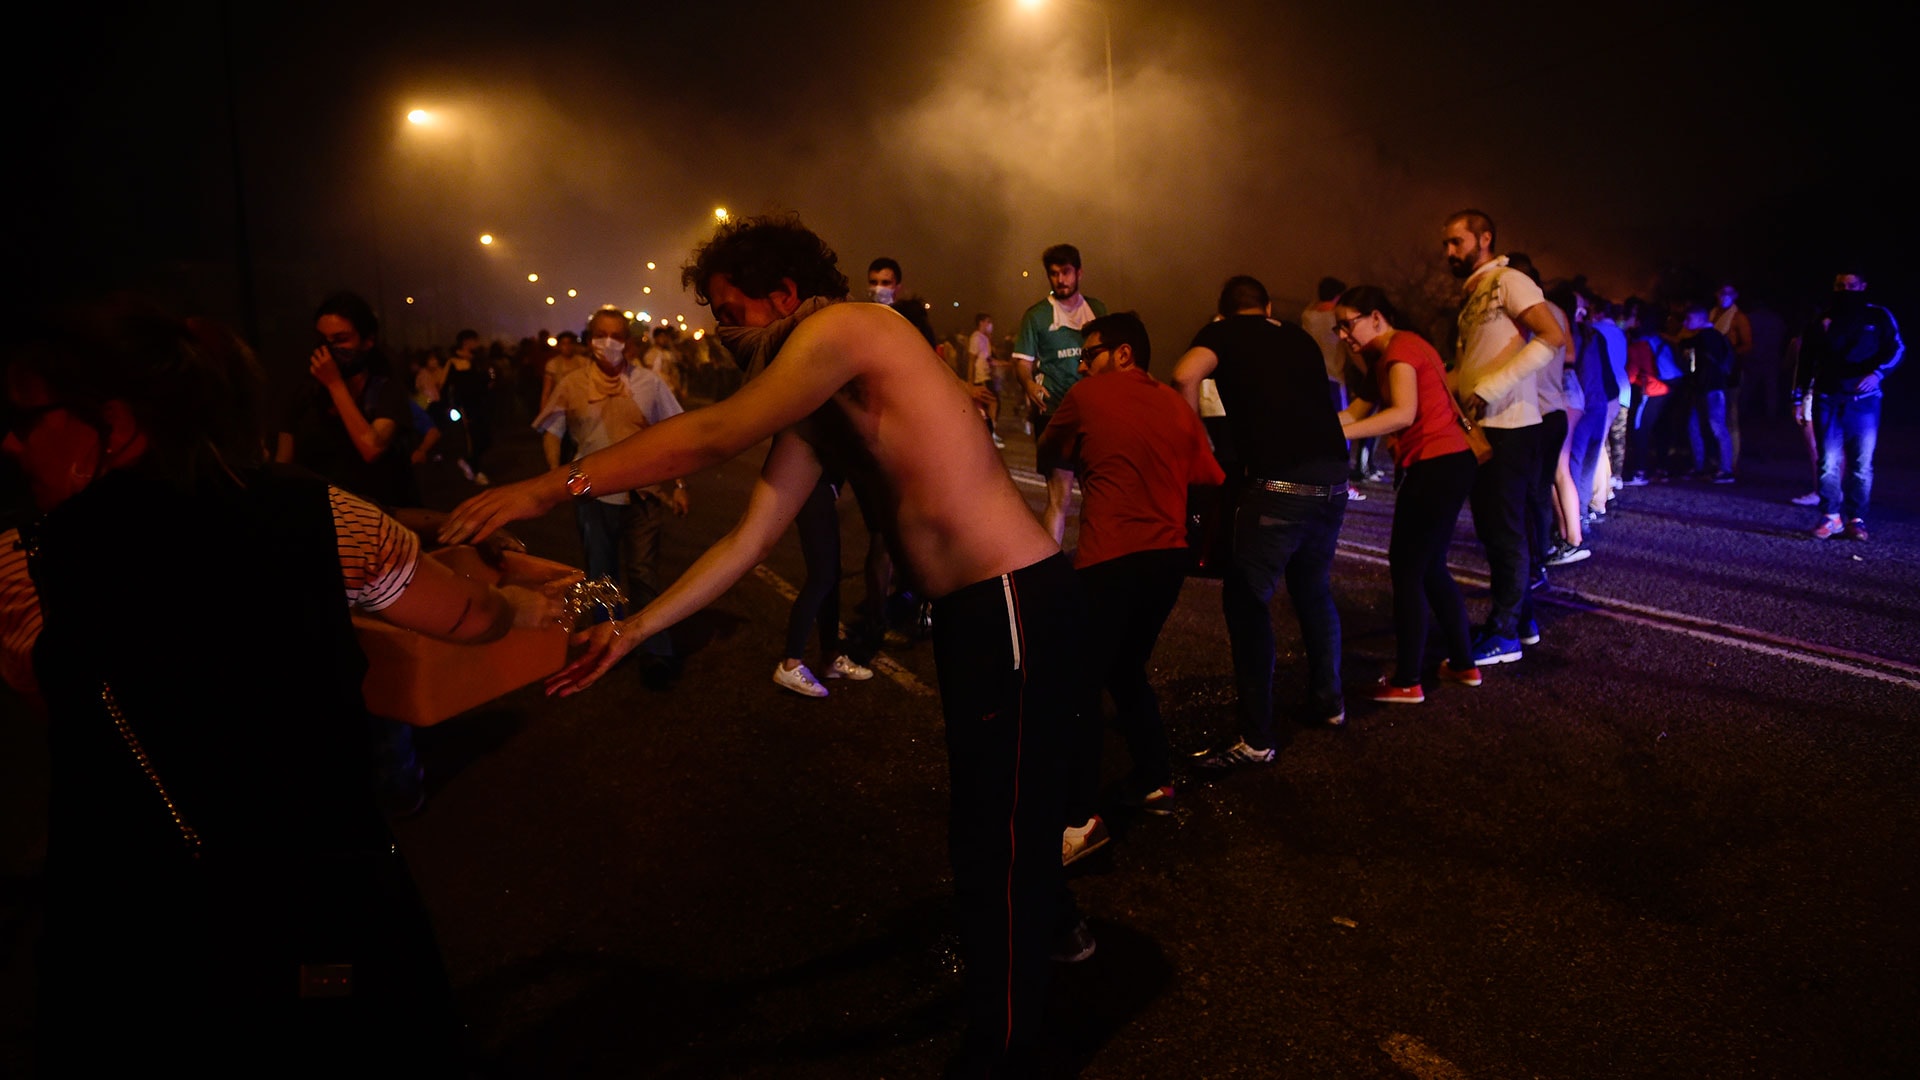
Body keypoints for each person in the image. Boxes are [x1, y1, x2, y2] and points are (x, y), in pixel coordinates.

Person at [439, 214, 1088, 1075]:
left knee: (989, 837)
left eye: (730, 310)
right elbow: (744, 541)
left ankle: (1005, 1051)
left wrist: (546, 488)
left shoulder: (848, 328)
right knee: (1003, 810)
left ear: (785, 295)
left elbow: (714, 435)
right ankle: (1060, 925)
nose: (722, 332)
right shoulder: (821, 399)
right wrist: (635, 627)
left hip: (1010, 602)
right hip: (982, 612)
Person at [1, 301, 557, 1070]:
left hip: (124, 920)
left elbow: (56, 712)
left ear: (119, 425)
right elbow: (467, 620)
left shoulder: (20, 565)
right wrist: (519, 602)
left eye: (27, 418)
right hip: (310, 897)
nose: (8, 441)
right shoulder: (323, 518)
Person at [1037, 311, 1222, 850]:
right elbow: (1209, 477)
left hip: (1110, 557)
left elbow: (1051, 450)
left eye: (1088, 353)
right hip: (1167, 560)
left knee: (1080, 680)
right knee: (1125, 669)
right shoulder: (1173, 402)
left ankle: (1078, 818)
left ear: (1121, 353)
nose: (1081, 366)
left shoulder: (1088, 397)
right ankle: (1153, 779)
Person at [1172, 274, 1350, 764]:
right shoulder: (1298, 335)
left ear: (1224, 311)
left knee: (1247, 602)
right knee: (1313, 589)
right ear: (1268, 305)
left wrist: (1197, 447)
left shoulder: (1224, 333)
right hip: (1333, 482)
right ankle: (1329, 702)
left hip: (1277, 486)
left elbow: (1185, 375)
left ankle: (1255, 739)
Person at [1332, 286, 1482, 702]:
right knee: (1430, 567)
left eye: (1349, 323)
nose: (1344, 334)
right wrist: (1317, 424)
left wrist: (1336, 433)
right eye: (1338, 327)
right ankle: (1463, 664)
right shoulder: (1384, 357)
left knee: (1408, 569)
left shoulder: (1400, 350)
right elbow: (1356, 412)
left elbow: (1403, 413)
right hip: (1447, 464)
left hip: (1437, 464)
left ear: (1376, 316)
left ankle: (1408, 680)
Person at [533, 308, 690, 687]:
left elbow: (677, 433)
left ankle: (655, 648)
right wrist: (560, 477)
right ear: (589, 340)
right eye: (601, 335)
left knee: (643, 574)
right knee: (601, 577)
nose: (609, 343)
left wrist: (680, 485)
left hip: (644, 496)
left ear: (630, 343)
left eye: (617, 336)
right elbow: (552, 430)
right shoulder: (571, 384)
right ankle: (604, 645)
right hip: (592, 497)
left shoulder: (650, 384)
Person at [1441, 210, 1566, 666]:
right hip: (1486, 427)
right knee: (1497, 529)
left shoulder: (1510, 280)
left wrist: (1490, 389)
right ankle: (1523, 621)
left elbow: (1554, 336)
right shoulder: (1474, 289)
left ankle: (1504, 634)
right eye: (1446, 245)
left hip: (1512, 426)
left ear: (1484, 238)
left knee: (1504, 529)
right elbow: (1469, 364)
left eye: (1456, 242)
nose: (1449, 252)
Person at [276, 290, 420, 510]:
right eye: (324, 340)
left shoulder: (386, 390)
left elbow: (371, 448)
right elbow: (283, 462)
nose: (330, 349)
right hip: (323, 519)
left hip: (381, 519)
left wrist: (335, 384)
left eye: (341, 339)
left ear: (367, 341)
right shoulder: (304, 394)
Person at [1796, 270, 1904, 541]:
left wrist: (1878, 373)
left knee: (1860, 463)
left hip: (1864, 402)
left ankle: (1857, 518)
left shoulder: (1877, 316)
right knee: (1828, 460)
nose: (1845, 290)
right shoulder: (1822, 318)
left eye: (1851, 285)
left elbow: (1897, 348)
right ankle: (1831, 516)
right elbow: (1806, 359)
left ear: (1863, 286)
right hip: (1827, 397)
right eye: (1840, 285)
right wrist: (1798, 397)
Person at [1012, 243, 1109, 544]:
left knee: (1097, 494)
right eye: (1053, 274)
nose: (1060, 280)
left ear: (1079, 272)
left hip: (1094, 415)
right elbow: (1022, 363)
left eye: (1065, 272)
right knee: (1059, 497)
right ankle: (1051, 568)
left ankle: (1093, 561)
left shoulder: (1098, 310)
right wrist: (1028, 385)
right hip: (1055, 413)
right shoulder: (1037, 316)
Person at [775, 476, 874, 697]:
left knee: (830, 574)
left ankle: (830, 658)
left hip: (821, 487)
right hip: (812, 485)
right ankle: (790, 663)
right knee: (821, 576)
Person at [1677, 306, 1736, 483]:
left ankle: (1725, 470)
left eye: (1689, 319)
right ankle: (1704, 466)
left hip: (1710, 389)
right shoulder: (1715, 336)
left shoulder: (1705, 337)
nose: (1685, 324)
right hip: (1708, 388)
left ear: (1699, 319)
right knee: (1697, 425)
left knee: (1716, 426)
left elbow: (1686, 346)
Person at [1712, 284, 1755, 469]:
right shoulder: (1713, 314)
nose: (1724, 296)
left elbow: (1748, 345)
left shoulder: (1739, 318)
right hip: (1713, 372)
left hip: (1731, 373)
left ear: (1735, 296)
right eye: (1721, 292)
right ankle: (1718, 457)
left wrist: (1728, 354)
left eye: (1728, 293)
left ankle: (1732, 460)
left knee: (1730, 416)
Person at [444, 328, 494, 485]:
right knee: (472, 438)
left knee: (485, 438)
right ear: (465, 342)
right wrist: (451, 406)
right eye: (474, 340)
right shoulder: (453, 362)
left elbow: (485, 379)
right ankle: (475, 469)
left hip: (481, 404)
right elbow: (445, 385)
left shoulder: (477, 360)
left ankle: (469, 463)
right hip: (465, 406)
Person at [866, 256, 938, 346]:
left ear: (897, 287)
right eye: (873, 282)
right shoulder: (862, 318)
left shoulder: (912, 320)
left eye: (885, 283)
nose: (878, 288)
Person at [967, 312, 1003, 447]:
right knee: (992, 402)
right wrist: (970, 381)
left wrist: (1008, 364)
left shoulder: (985, 339)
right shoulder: (976, 337)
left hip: (987, 376)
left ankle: (990, 433)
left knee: (991, 404)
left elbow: (989, 360)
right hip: (980, 377)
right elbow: (971, 360)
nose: (991, 325)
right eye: (988, 322)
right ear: (981, 322)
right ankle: (990, 434)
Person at [541, 330, 590, 407]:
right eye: (563, 344)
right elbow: (547, 391)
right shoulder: (552, 364)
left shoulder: (584, 362)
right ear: (559, 346)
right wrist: (543, 410)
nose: (567, 347)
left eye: (570, 343)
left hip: (580, 403)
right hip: (560, 404)